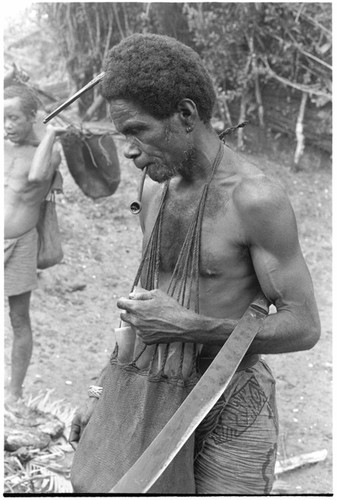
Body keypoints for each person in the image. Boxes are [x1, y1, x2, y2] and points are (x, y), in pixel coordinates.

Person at [69, 34, 320, 494]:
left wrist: (191, 327)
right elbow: (143, 305)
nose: (128, 150)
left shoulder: (254, 199)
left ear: (185, 115)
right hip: (149, 390)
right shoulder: (153, 188)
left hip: (230, 404)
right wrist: (101, 393)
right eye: (122, 134)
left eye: (137, 130)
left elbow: (304, 327)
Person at [4, 84, 64, 403]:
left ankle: (13, 393)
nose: (7, 125)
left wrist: (50, 131)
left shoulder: (48, 150)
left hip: (20, 245)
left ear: (31, 117)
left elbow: (39, 177)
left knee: (18, 317)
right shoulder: (3, 144)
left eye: (14, 118)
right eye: (3, 119)